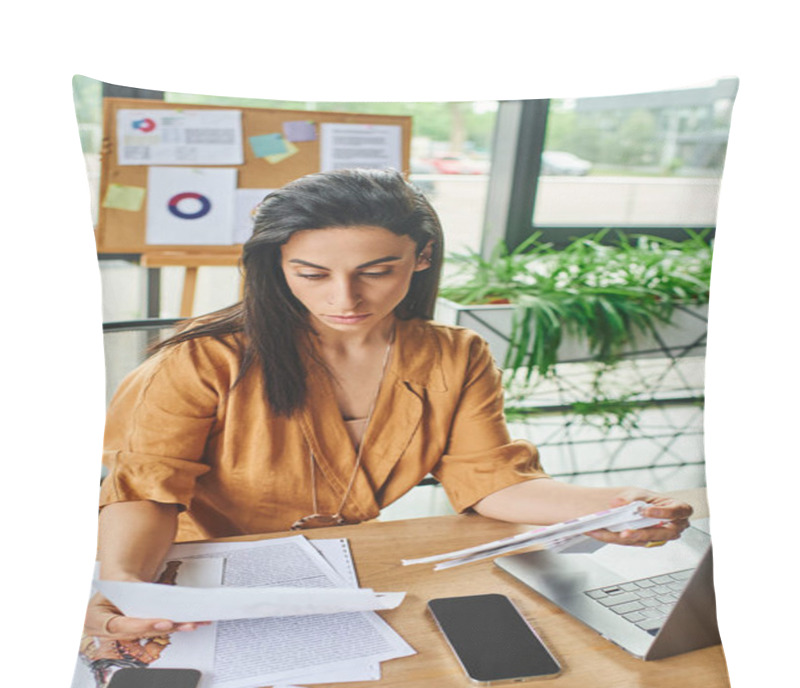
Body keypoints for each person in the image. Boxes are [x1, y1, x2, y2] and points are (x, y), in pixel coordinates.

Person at [86, 168, 692, 642]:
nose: (344, 297)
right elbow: (146, 491)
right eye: (311, 273)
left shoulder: (455, 356)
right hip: (200, 572)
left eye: (376, 271)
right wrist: (126, 587)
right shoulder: (201, 360)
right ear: (277, 264)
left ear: (421, 257)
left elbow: (491, 480)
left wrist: (607, 506)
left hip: (346, 572)